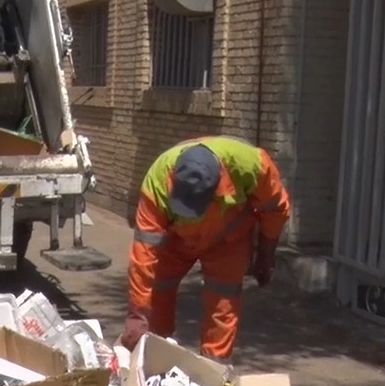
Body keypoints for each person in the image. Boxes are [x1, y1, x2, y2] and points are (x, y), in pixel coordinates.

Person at [119, 136, 291, 361]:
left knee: (223, 302)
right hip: (176, 239)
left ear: (217, 186)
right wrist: (137, 313)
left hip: (227, 239)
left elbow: (276, 208)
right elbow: (144, 255)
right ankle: (153, 361)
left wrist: (266, 253)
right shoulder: (158, 181)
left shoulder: (251, 165)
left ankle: (213, 374)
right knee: (157, 292)